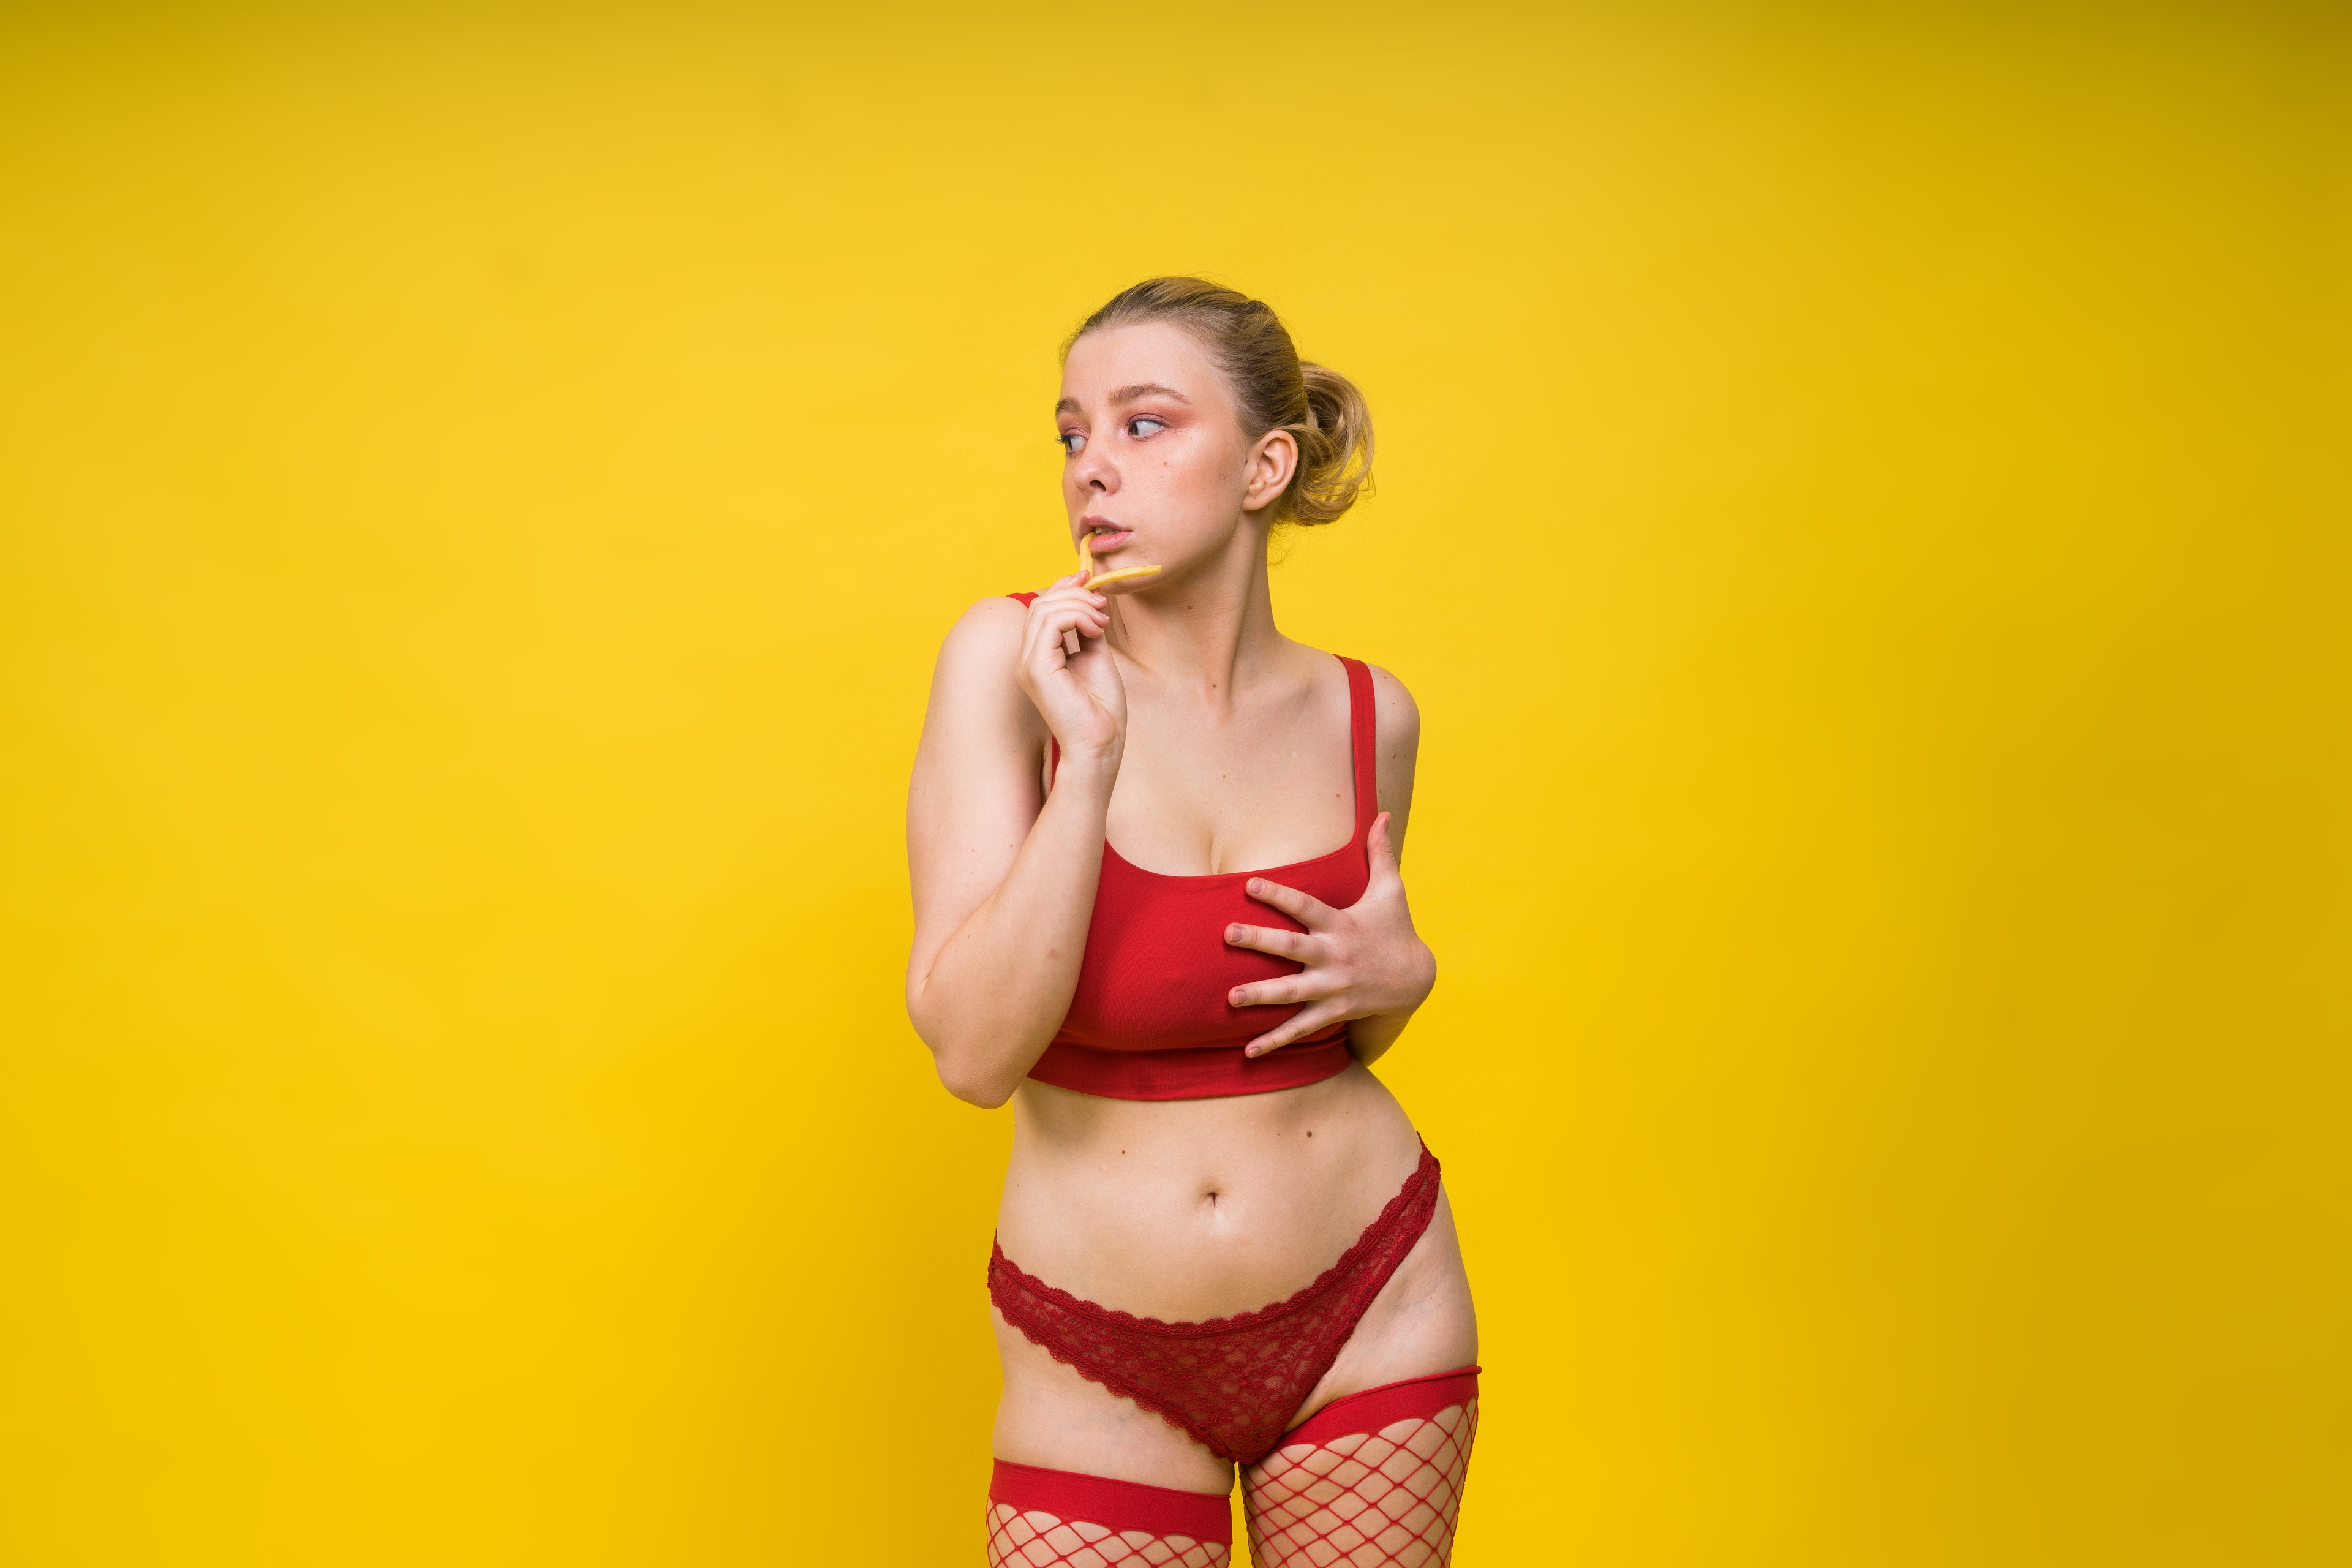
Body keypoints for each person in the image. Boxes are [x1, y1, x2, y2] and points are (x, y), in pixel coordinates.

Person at [907, 279, 1478, 1568]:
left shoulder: (1370, 714)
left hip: (1375, 1304)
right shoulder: (1008, 664)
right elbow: (976, 1054)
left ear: (1265, 467)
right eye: (1072, 433)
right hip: (1094, 1347)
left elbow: (1317, 1032)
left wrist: (1403, 979)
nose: (1091, 466)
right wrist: (1089, 766)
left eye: (1144, 423)